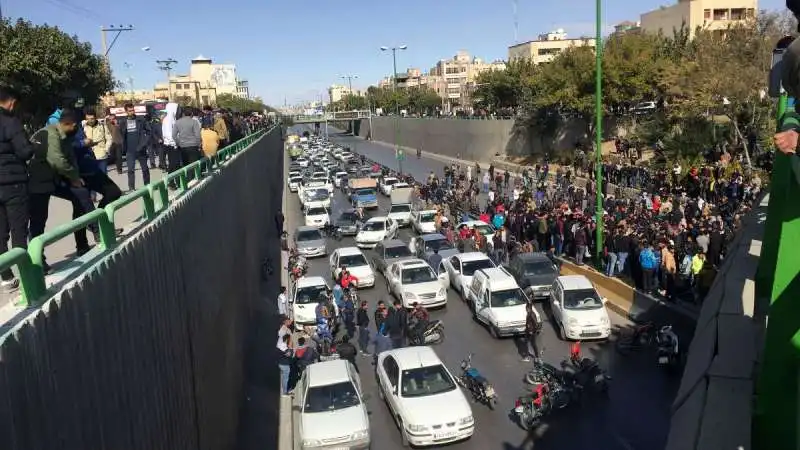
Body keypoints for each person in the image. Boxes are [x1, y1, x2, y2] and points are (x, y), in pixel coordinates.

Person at [0, 85, 34, 291]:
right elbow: (24, 152)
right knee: (18, 230)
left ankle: (5, 277)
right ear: (11, 101)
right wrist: (33, 146)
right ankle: (27, 276)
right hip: (13, 184)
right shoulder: (10, 122)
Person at [117, 103, 151, 192]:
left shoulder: (141, 119)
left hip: (141, 149)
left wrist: (143, 143)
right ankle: (131, 188)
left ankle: (147, 185)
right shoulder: (123, 122)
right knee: (130, 170)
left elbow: (148, 132)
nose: (132, 112)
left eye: (133, 110)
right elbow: (120, 134)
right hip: (129, 150)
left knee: (145, 169)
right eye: (130, 111)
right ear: (126, 111)